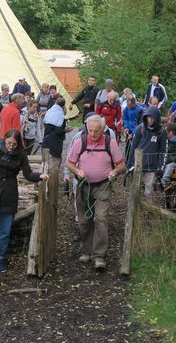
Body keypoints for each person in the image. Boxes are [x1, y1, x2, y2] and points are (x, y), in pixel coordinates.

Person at [0, 129, 49, 277]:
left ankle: (0, 258)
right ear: (4, 139)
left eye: (14, 144)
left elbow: (27, 173)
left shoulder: (20, 153)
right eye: (9, 143)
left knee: (5, 231)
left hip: (9, 195)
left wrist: (39, 176)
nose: (11, 146)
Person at [66, 115, 125, 270]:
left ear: (103, 130)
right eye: (90, 131)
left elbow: (121, 165)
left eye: (96, 131)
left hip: (103, 187)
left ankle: (99, 256)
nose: (92, 134)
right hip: (83, 186)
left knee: (100, 219)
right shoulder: (80, 142)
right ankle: (87, 251)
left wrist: (114, 172)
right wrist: (77, 171)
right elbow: (70, 163)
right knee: (84, 221)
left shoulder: (110, 143)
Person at [127, 106, 167, 201]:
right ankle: (134, 211)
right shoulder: (140, 128)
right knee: (135, 190)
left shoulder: (162, 132)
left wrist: (161, 167)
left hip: (152, 166)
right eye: (148, 117)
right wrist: (129, 164)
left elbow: (164, 151)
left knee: (148, 192)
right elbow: (133, 147)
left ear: (156, 118)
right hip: (138, 164)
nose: (150, 120)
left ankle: (150, 212)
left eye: (152, 117)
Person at [42, 97, 72, 168]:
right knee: (55, 162)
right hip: (55, 141)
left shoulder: (49, 111)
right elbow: (58, 131)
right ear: (63, 105)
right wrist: (66, 130)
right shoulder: (60, 114)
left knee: (46, 161)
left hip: (46, 139)